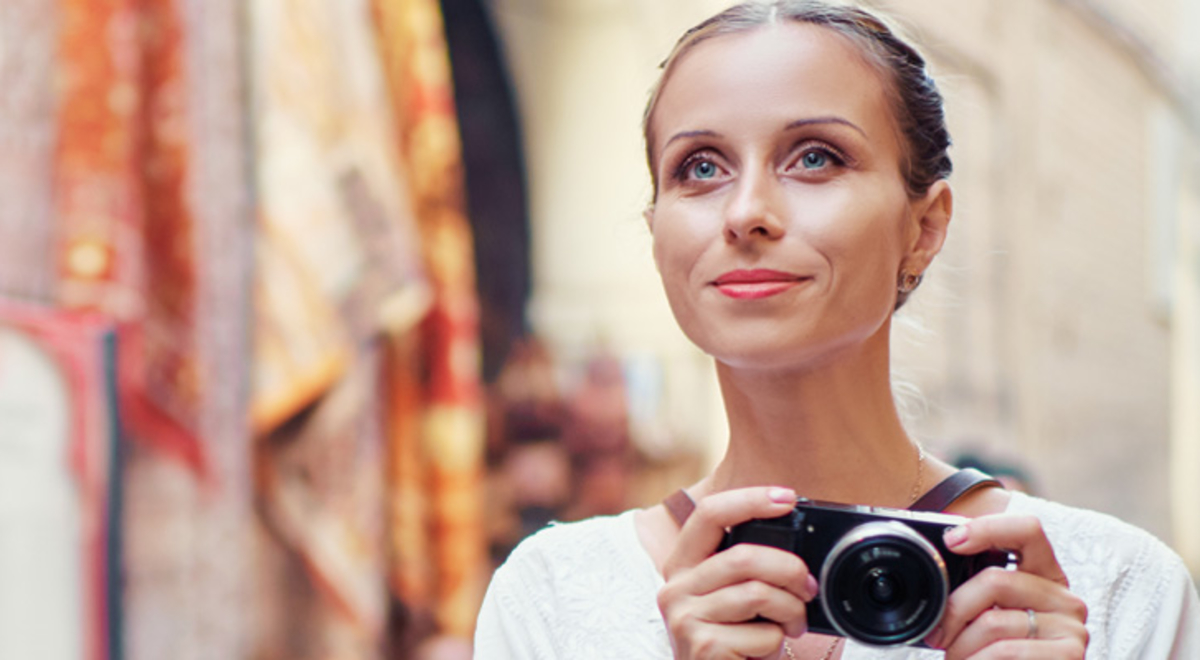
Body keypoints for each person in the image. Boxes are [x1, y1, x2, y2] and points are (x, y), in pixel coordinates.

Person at [473, 1, 1200, 658]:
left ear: (924, 226)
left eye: (815, 157)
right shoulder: (551, 600)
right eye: (700, 167)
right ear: (657, 230)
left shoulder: (1109, 593)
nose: (745, 211)